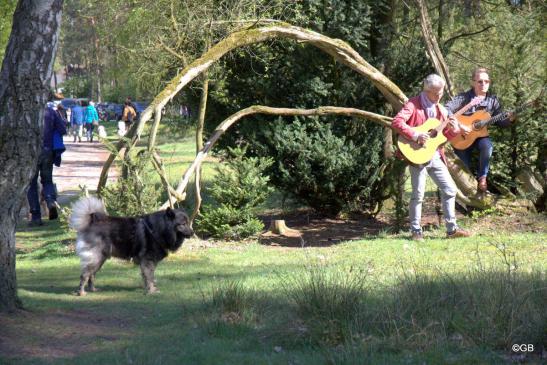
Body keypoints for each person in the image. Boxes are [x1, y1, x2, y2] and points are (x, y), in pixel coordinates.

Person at [392, 74, 471, 241]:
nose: (439, 96)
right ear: (426, 90)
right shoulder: (413, 104)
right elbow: (397, 122)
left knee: (450, 189)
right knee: (418, 194)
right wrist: (416, 135)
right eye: (436, 93)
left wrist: (455, 130)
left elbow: (442, 137)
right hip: (417, 155)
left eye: (441, 92)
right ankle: (416, 231)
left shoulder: (441, 110)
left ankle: (451, 229)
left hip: (435, 155)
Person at [445, 67, 514, 192]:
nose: (483, 84)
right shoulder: (463, 98)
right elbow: (446, 109)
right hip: (460, 137)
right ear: (473, 82)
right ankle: (468, 203)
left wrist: (510, 119)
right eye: (480, 81)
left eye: (486, 81)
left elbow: (500, 122)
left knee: (487, 146)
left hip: (480, 136)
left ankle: (482, 177)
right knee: (464, 172)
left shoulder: (493, 101)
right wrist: (459, 126)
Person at [27, 105, 67, 226]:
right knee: (47, 181)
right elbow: (62, 129)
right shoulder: (50, 112)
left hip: (29, 152)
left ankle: (35, 217)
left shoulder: (24, 110)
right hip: (47, 151)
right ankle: (50, 201)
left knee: (31, 184)